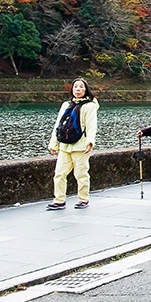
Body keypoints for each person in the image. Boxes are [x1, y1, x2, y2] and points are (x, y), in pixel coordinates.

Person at [46, 78, 99, 210]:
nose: (78, 89)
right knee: (59, 173)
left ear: (86, 89)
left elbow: (92, 125)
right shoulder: (66, 105)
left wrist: (90, 142)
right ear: (72, 89)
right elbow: (58, 125)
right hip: (65, 146)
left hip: (81, 145)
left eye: (81, 87)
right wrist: (54, 143)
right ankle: (59, 200)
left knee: (81, 174)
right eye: (75, 87)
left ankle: (83, 199)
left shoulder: (90, 106)